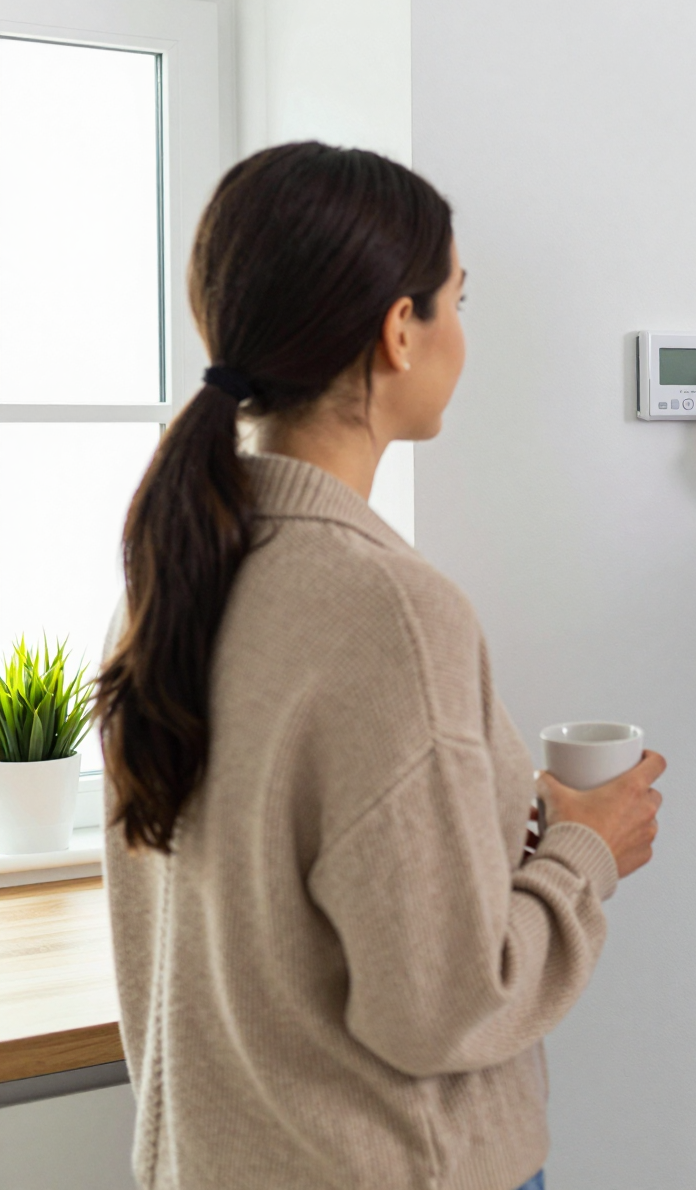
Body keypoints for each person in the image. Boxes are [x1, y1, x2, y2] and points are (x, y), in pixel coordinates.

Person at [97, 142, 664, 1190]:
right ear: (400, 330)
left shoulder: (168, 579)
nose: (463, 332)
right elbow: (445, 1007)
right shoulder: (391, 611)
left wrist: (496, 829)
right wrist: (586, 853)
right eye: (458, 299)